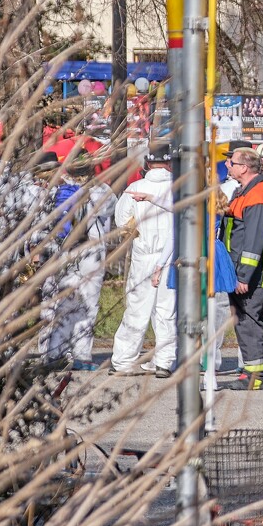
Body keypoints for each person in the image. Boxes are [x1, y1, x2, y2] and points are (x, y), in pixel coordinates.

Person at [40, 156, 115, 371]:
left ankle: (54, 353)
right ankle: (82, 356)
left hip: (65, 253)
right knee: (88, 306)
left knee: (64, 304)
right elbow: (110, 212)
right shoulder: (103, 191)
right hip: (92, 252)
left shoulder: (58, 191)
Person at [110, 144, 176, 377]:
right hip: (171, 255)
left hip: (144, 254)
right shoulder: (178, 187)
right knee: (167, 310)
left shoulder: (135, 188)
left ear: (147, 163)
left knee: (137, 309)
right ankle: (164, 362)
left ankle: (124, 361)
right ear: (169, 163)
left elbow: (122, 221)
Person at [222, 147, 263, 390]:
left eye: (232, 162)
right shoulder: (247, 191)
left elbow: (254, 241)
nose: (228, 166)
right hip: (242, 270)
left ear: (244, 168)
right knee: (255, 319)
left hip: (249, 273)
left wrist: (243, 276)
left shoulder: (257, 195)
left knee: (246, 320)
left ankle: (254, 377)